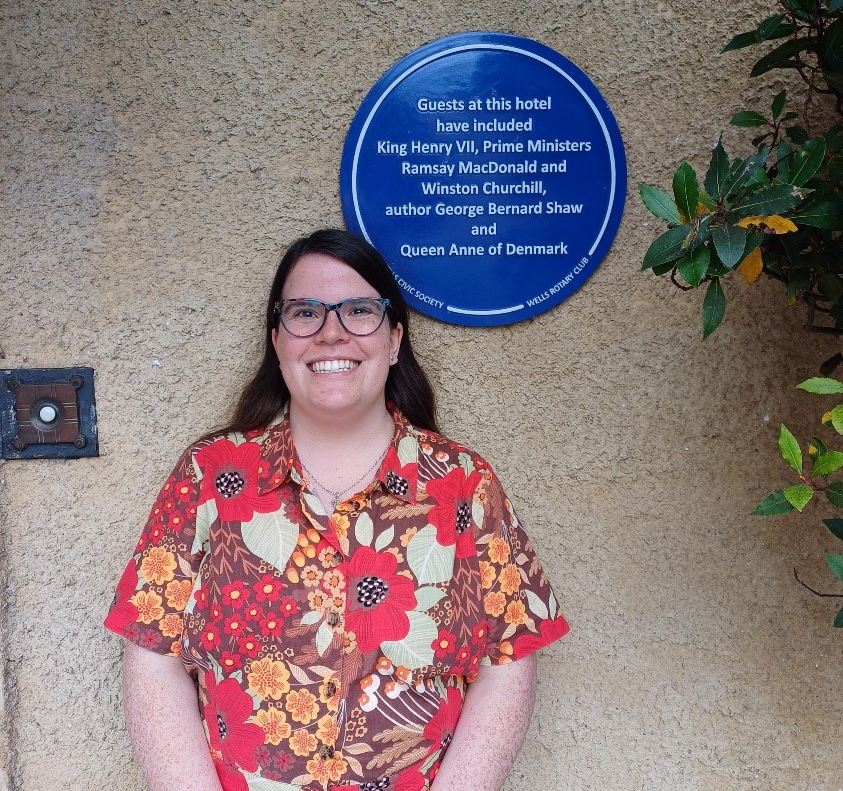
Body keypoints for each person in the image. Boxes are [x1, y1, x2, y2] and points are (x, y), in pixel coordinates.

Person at [105, 229, 569, 791]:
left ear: (395, 340)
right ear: (277, 341)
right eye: (305, 312)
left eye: (358, 311)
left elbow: (509, 658)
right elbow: (152, 654)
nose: (331, 333)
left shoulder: (463, 485)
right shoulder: (210, 478)